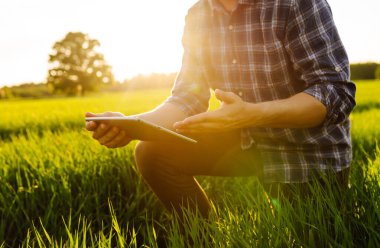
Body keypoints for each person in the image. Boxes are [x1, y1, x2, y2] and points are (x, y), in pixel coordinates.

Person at [85, 0, 355, 218]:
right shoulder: (198, 14)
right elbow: (186, 99)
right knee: (152, 151)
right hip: (245, 137)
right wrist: (133, 123)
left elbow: (335, 92)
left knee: (308, 233)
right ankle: (200, 238)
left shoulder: (295, 4)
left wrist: (253, 114)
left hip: (305, 149)